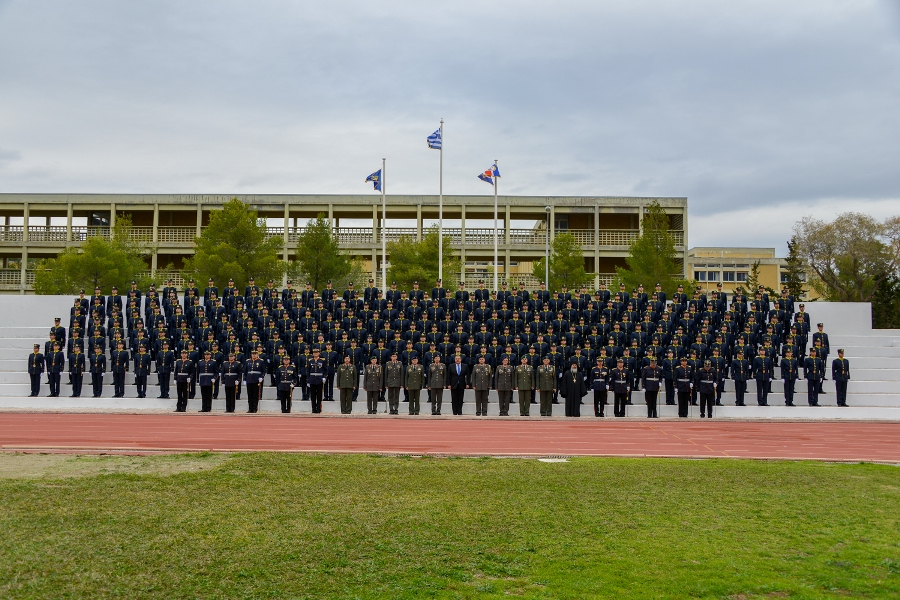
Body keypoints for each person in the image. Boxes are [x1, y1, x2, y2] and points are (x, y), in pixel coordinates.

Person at [307, 349, 326, 414]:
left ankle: (318, 408)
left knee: (319, 395)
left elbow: (325, 370)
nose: (315, 354)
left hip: (319, 379)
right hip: (312, 379)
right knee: (313, 395)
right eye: (314, 352)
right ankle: (313, 408)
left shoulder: (322, 361)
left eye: (317, 352)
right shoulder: (310, 361)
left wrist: (324, 377)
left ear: (319, 353)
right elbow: (308, 371)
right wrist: (308, 380)